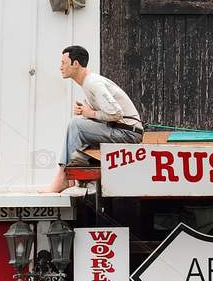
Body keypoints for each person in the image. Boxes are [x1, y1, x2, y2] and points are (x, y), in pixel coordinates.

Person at [43, 45, 144, 192]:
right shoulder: (88, 82)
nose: (60, 67)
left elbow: (116, 113)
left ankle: (63, 178)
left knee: (76, 125)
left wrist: (89, 113)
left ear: (75, 64)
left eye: (63, 63)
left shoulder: (93, 83)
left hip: (128, 133)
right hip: (121, 130)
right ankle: (72, 171)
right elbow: (107, 115)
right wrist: (87, 112)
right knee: (79, 124)